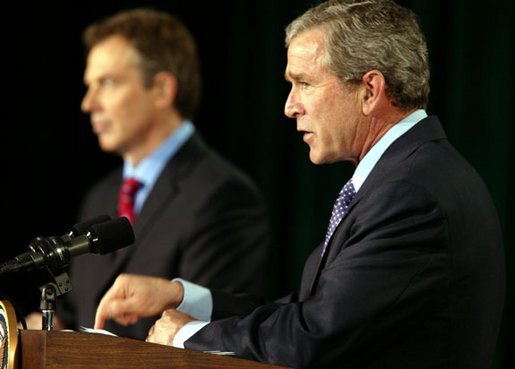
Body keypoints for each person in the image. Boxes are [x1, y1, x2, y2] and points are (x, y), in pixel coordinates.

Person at [93, 1, 506, 368]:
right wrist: (180, 297)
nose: (290, 106)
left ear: (370, 90)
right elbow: (307, 311)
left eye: (304, 83)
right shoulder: (407, 176)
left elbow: (313, 335)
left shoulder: (413, 194)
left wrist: (184, 336)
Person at [24, 7, 272, 340]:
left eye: (106, 83)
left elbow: (213, 335)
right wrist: (30, 332)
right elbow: (75, 312)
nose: (88, 103)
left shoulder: (224, 196)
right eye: (89, 86)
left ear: (161, 89)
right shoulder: (101, 194)